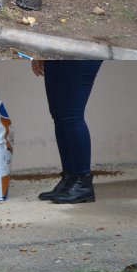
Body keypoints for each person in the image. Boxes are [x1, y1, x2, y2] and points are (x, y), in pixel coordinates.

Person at [31, 60, 104, 203]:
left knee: (71, 114)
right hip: (54, 49)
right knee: (58, 114)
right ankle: (70, 179)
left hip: (83, 51)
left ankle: (83, 183)